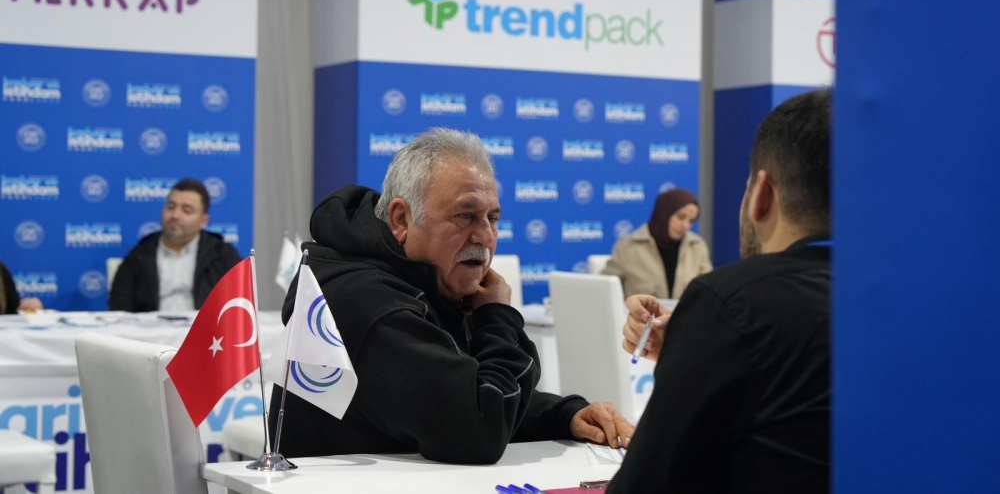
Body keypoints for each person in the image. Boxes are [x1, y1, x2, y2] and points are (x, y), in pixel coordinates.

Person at [269, 127, 634, 464]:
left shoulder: (420, 279)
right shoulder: (370, 302)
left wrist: (563, 415)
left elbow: (454, 391)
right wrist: (497, 318)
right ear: (401, 220)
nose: (486, 237)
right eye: (465, 215)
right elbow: (477, 429)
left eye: (492, 218)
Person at [610, 88, 832, 493]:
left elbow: (646, 484)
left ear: (762, 193)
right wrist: (693, 348)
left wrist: (707, 337)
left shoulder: (730, 302)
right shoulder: (922, 308)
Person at [109, 178, 241, 313]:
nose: (175, 215)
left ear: (203, 221)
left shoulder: (222, 255)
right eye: (170, 207)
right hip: (152, 325)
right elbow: (119, 307)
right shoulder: (139, 256)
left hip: (205, 325)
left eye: (187, 210)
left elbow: (243, 303)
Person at [602, 187, 712, 299]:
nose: (686, 226)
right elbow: (604, 290)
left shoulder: (697, 247)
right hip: (641, 311)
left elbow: (709, 292)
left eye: (691, 221)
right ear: (664, 213)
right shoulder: (628, 247)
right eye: (681, 217)